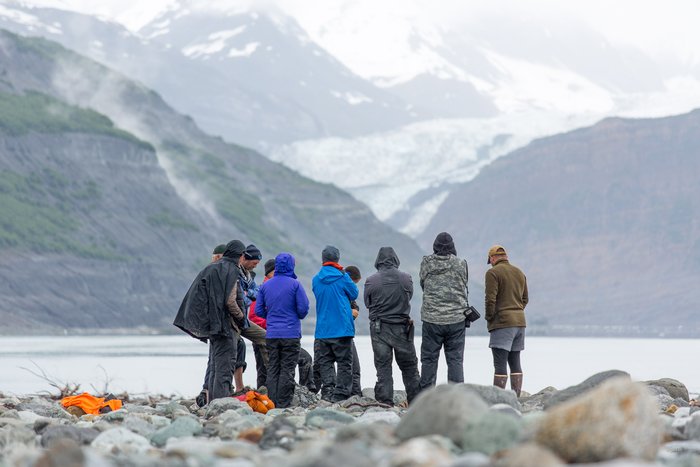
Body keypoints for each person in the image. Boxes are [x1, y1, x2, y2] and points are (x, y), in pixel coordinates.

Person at [174, 240, 246, 401]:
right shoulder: (232, 270)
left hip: (213, 326)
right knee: (225, 369)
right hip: (226, 326)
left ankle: (213, 403)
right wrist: (241, 318)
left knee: (215, 367)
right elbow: (230, 301)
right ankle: (221, 405)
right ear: (240, 256)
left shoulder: (211, 268)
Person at [364, 247, 420, 405]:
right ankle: (415, 402)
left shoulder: (371, 280)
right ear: (396, 259)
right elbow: (409, 296)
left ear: (378, 261)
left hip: (379, 328)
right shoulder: (406, 278)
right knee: (409, 367)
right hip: (402, 329)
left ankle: (384, 402)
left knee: (383, 367)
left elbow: (367, 303)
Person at [250, 258, 315, 391]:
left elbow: (258, 312)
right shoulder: (264, 288)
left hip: (271, 334)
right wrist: (274, 321)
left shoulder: (266, 288)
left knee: (272, 368)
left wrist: (273, 321)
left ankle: (274, 397)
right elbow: (253, 316)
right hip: (268, 335)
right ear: (269, 272)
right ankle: (295, 393)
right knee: (272, 368)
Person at [418, 232, 469, 390]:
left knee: (429, 359)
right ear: (453, 247)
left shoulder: (427, 263)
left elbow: (423, 284)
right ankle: (456, 397)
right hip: (456, 319)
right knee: (455, 360)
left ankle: (426, 397)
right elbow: (464, 283)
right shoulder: (461, 263)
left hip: (431, 319)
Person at [312, 245, 358, 402]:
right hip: (342, 328)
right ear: (337, 259)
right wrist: (344, 275)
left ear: (323, 259)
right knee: (344, 363)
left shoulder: (316, 279)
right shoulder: (342, 277)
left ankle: (327, 392)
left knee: (325, 362)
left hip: (323, 329)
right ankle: (341, 394)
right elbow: (354, 293)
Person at [485, 245, 528, 397]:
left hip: (502, 323)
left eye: (490, 260)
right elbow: (525, 299)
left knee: (500, 363)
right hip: (520, 323)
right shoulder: (519, 272)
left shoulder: (493, 273)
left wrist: (490, 317)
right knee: (515, 361)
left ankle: (499, 399)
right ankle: (515, 398)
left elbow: (490, 299)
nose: (490, 263)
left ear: (492, 258)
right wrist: (516, 310)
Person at [237, 244, 269, 375]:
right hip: (234, 318)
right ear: (244, 258)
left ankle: (271, 376)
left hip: (244, 319)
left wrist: (246, 293)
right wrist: (247, 295)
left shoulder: (249, 276)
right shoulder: (235, 273)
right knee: (236, 349)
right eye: (254, 263)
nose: (255, 266)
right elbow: (240, 298)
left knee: (266, 338)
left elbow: (257, 293)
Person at [344, 265, 363, 397]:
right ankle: (355, 395)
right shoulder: (344, 289)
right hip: (344, 333)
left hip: (325, 333)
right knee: (353, 367)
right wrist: (353, 313)